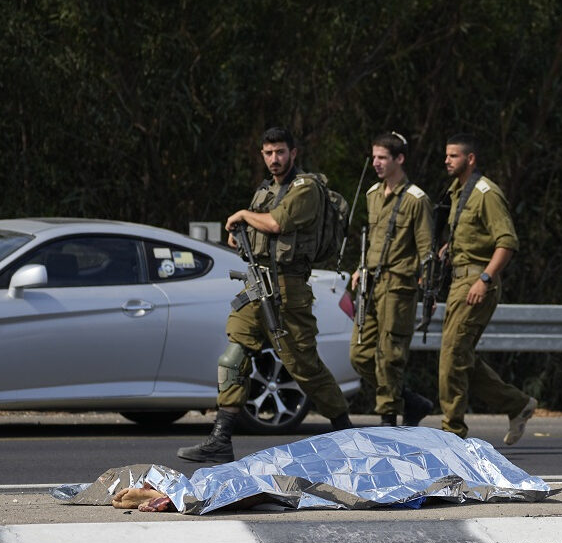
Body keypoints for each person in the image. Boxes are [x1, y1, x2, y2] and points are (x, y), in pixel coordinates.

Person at [178, 127, 353, 463]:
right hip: (256, 284)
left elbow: (276, 224)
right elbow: (258, 232)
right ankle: (220, 438)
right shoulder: (266, 190)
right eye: (269, 153)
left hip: (288, 289)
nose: (275, 159)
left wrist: (243, 216)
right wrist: (238, 234)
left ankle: (347, 432)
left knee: (304, 366)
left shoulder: (306, 188)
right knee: (233, 358)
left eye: (280, 152)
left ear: (294, 153)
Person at [437, 133, 536, 443]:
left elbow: (507, 242)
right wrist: (448, 249)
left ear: (470, 159)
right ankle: (517, 404)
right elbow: (472, 236)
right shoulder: (459, 193)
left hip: (476, 282)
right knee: (459, 355)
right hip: (459, 280)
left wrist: (485, 279)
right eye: (447, 155)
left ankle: (452, 433)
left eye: (453, 156)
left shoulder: (485, 193)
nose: (447, 161)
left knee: (453, 355)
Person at [349, 131, 437, 426]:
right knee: (360, 354)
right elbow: (374, 239)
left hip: (399, 287)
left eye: (382, 158)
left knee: (389, 356)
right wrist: (361, 269)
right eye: (374, 157)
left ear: (399, 159)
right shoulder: (373, 194)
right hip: (371, 285)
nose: (376, 163)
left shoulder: (416, 199)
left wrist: (429, 290)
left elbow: (426, 248)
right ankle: (411, 400)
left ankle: (388, 420)